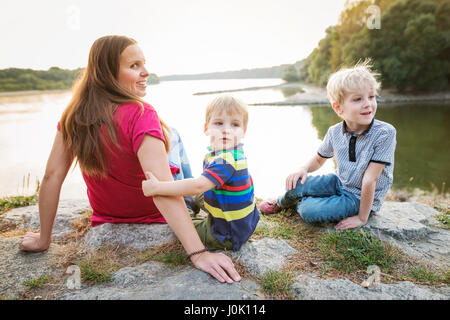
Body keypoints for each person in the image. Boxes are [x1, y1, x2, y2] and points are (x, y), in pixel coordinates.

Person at [18, 35, 241, 284]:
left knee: (169, 134)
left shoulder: (74, 115)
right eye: (134, 66)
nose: (145, 72)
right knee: (173, 136)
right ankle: (192, 195)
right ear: (107, 73)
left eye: (143, 64)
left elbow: (51, 177)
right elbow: (161, 190)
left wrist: (43, 239)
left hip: (107, 213)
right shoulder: (142, 113)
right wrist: (198, 253)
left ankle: (191, 189)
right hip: (154, 212)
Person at [259, 61, 396, 231]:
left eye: (371, 96)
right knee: (296, 184)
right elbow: (318, 159)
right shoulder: (334, 132)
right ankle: (282, 202)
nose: (368, 103)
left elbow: (370, 179)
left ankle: (301, 202)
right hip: (339, 182)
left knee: (308, 211)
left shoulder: (385, 133)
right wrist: (303, 169)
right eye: (358, 99)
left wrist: (362, 217)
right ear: (339, 108)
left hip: (360, 198)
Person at [142, 95, 260, 252]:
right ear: (206, 128)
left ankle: (189, 211)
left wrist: (158, 188)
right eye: (219, 123)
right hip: (242, 221)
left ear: (243, 131)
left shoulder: (226, 160)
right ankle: (192, 203)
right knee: (198, 194)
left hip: (227, 233)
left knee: (180, 224)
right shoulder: (225, 153)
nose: (226, 130)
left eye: (235, 125)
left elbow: (198, 185)